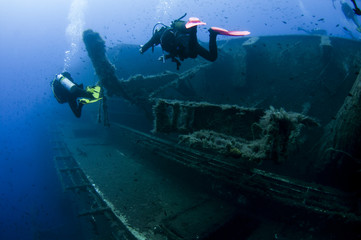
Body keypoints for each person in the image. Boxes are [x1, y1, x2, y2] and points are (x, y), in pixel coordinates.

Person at [139, 14, 250, 70]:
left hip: (184, 43)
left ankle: (194, 27)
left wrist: (142, 50)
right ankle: (213, 33)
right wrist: (166, 57)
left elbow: (147, 45)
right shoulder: (166, 35)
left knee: (192, 52)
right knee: (212, 57)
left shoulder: (158, 35)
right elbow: (174, 52)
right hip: (186, 43)